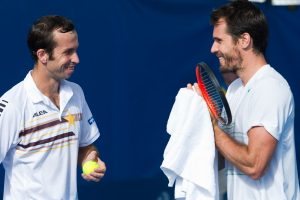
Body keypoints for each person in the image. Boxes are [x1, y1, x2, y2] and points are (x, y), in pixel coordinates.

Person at [189, 0, 300, 199]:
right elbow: (223, 159)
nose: (213, 48)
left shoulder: (270, 88)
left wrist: (213, 127)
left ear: (244, 40)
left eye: (219, 40)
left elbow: (254, 165)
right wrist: (199, 116)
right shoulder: (234, 91)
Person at [0, 15, 106, 199]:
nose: (77, 59)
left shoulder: (76, 93)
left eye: (76, 50)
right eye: (68, 52)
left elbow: (86, 147)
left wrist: (90, 159)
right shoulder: (12, 105)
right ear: (42, 55)